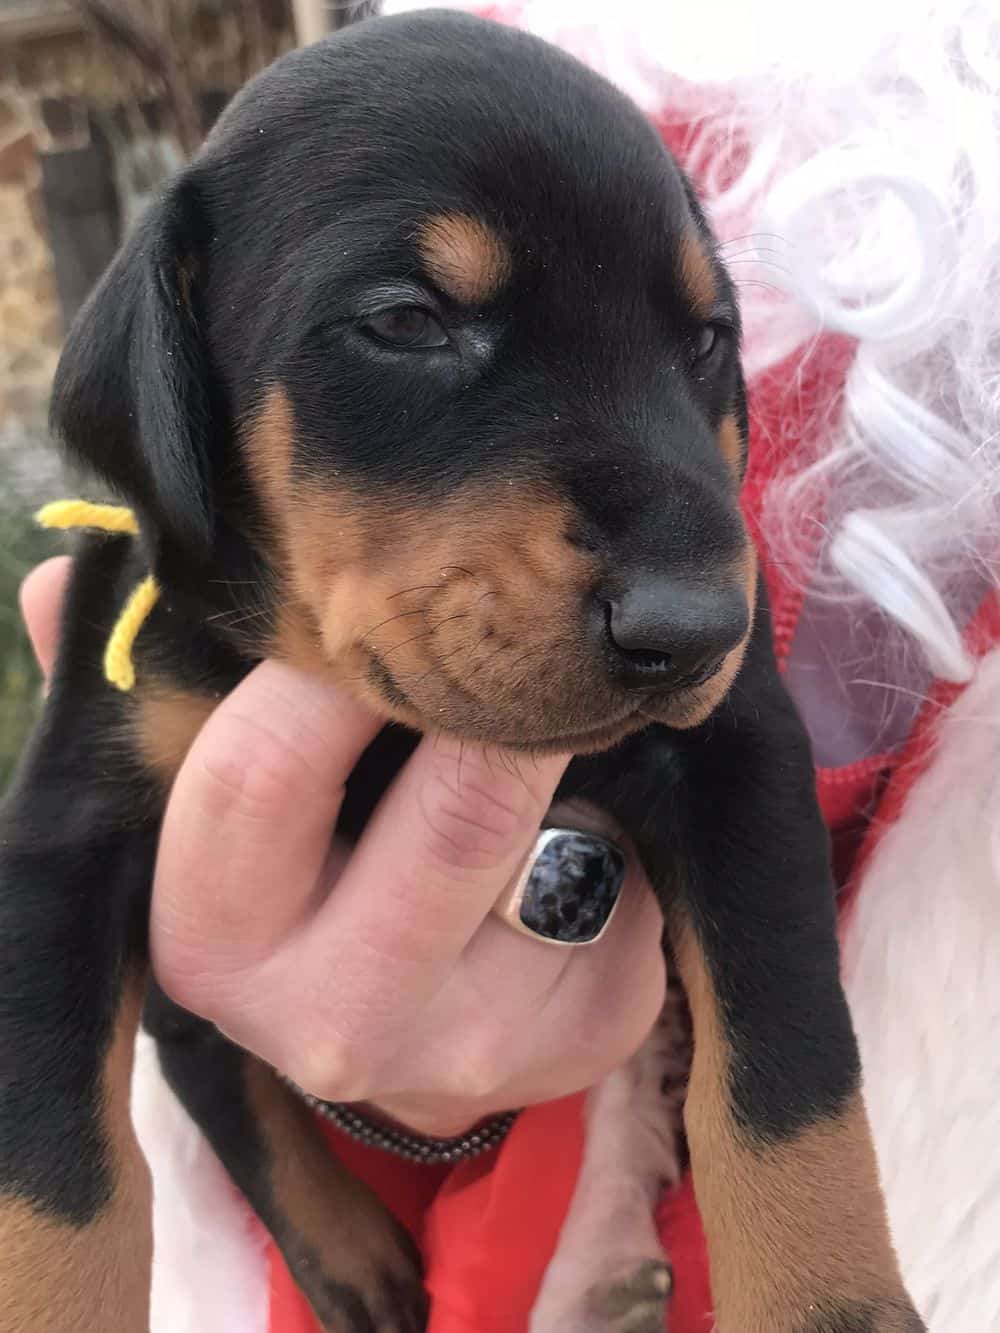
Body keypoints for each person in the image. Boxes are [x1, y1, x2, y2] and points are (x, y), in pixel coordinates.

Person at [19, 1, 1000, 1330]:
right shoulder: (155, 630)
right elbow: (66, 907)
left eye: (699, 346)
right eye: (415, 324)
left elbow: (737, 776)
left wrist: (820, 1264)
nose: (683, 591)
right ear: (180, 356)